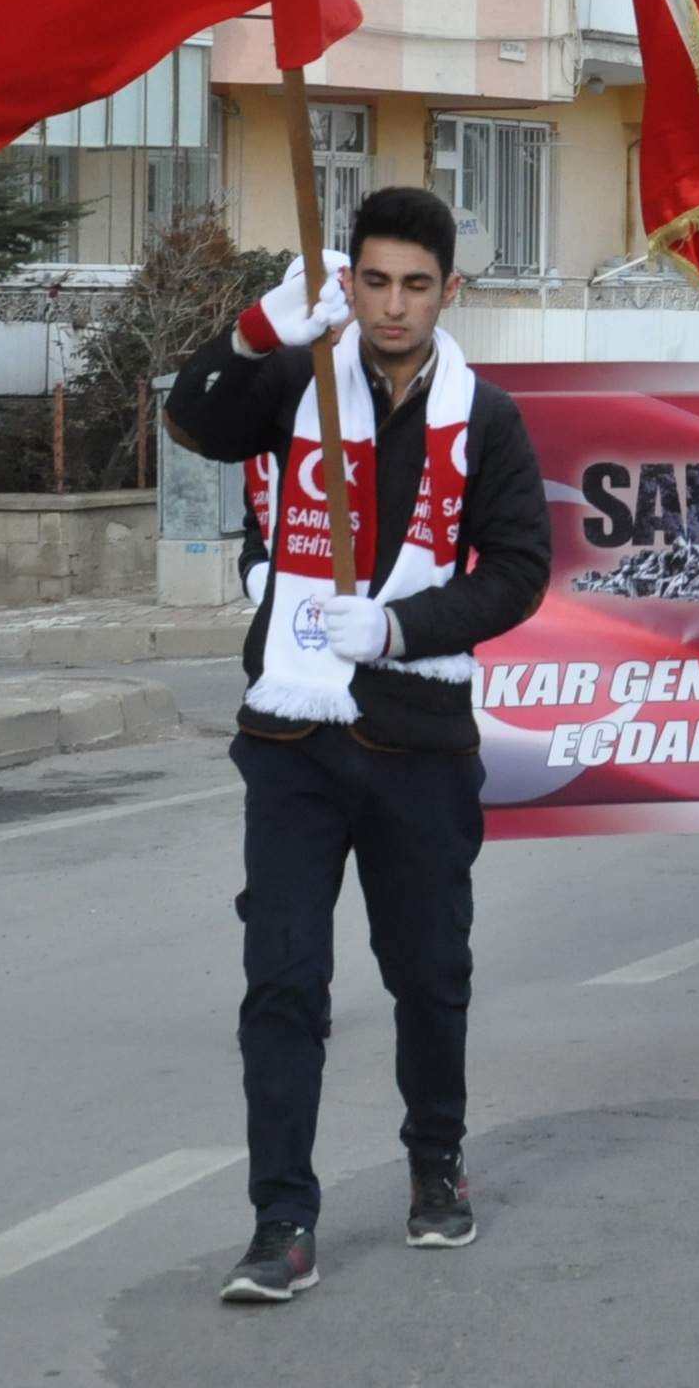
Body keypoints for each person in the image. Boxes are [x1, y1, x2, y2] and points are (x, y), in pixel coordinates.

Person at [166, 189, 555, 1303]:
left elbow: (518, 568)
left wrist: (398, 627)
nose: (391, 305)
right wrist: (254, 331)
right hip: (290, 735)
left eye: (415, 285)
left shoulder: (485, 418)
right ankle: (281, 1222)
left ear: (449, 290)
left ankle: (436, 1163)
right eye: (373, 281)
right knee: (281, 980)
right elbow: (197, 424)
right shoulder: (298, 377)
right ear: (353, 284)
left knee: (429, 972)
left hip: (417, 741)